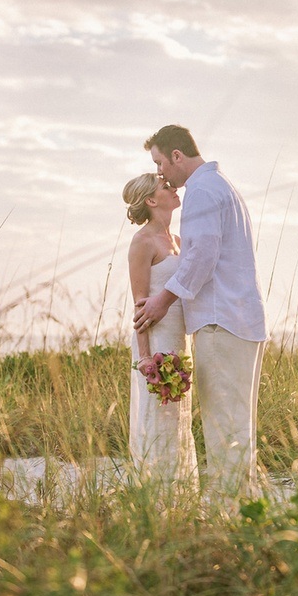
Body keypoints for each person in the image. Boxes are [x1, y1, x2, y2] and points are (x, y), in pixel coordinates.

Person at [134, 125, 269, 498]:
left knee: (224, 430)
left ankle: (232, 517)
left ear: (177, 156)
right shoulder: (221, 186)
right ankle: (246, 512)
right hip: (240, 319)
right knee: (238, 428)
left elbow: (202, 255)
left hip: (219, 321)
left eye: (161, 163)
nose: (161, 174)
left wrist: (164, 299)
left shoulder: (202, 191)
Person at [122, 173, 198, 487]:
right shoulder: (142, 241)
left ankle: (180, 495)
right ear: (152, 201)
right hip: (155, 340)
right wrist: (144, 358)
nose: (174, 188)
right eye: (165, 187)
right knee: (156, 418)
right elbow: (140, 303)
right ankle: (153, 495)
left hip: (181, 341)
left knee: (178, 420)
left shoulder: (178, 241)